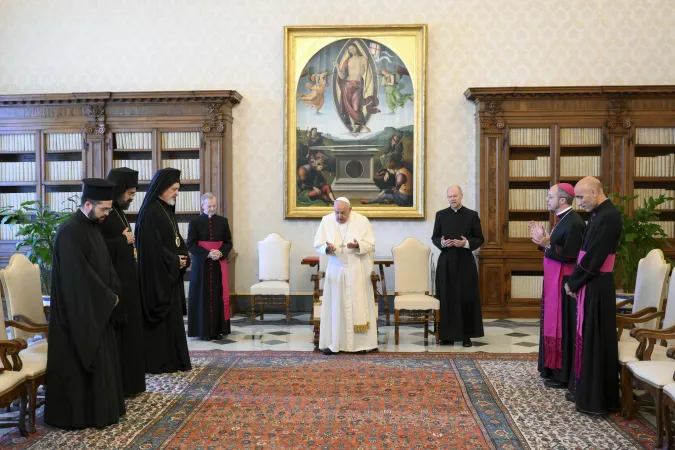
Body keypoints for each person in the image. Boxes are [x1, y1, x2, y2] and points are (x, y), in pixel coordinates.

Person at [44, 178, 125, 429]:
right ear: (88, 204)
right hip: (78, 315)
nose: (107, 214)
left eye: (110, 209)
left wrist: (113, 290)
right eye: (104, 209)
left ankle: (102, 410)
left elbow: (104, 266)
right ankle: (81, 416)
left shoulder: (92, 226)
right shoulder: (70, 231)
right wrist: (106, 297)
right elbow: (77, 277)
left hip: (97, 308)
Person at [564, 176, 623, 414]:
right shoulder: (600, 214)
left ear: (594, 192)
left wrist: (574, 282)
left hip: (597, 284)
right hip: (591, 282)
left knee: (595, 340)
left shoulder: (609, 217)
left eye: (580, 197)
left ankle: (597, 399)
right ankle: (584, 391)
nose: (578, 202)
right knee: (587, 339)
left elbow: (594, 257)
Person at [135, 168, 192, 374]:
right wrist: (172, 260)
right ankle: (160, 362)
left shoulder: (166, 209)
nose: (177, 193)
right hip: (157, 278)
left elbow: (176, 240)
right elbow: (151, 250)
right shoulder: (151, 212)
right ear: (162, 188)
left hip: (169, 276)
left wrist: (184, 257)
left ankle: (174, 360)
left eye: (178, 189)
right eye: (174, 189)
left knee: (173, 320)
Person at [529, 183, 585, 389]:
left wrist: (546, 243)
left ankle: (563, 375)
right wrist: (543, 240)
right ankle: (552, 369)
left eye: (550, 196)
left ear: (562, 200)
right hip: (556, 279)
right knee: (554, 324)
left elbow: (570, 255)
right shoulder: (563, 220)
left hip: (565, 282)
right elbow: (554, 246)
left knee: (564, 327)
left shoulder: (574, 222)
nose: (547, 199)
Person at [100, 167, 146, 396]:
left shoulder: (117, 210)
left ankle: (132, 383)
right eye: (129, 193)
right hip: (115, 281)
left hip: (128, 278)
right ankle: (123, 384)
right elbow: (98, 250)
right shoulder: (105, 215)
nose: (131, 197)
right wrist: (122, 239)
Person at [313, 197, 377, 354]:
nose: (339, 216)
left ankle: (361, 345)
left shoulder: (362, 221)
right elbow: (318, 244)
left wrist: (358, 245)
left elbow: (371, 244)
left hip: (357, 269)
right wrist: (327, 249)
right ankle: (333, 344)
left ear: (350, 210)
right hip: (336, 269)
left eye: (343, 213)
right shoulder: (326, 221)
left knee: (358, 307)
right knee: (335, 307)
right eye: (336, 212)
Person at [431, 186, 485, 347]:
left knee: (465, 297)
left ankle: (466, 336)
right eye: (449, 196)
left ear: (462, 196)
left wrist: (466, 243)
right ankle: (446, 335)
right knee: (446, 297)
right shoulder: (440, 215)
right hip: (446, 260)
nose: (452, 198)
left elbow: (479, 238)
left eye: (455, 196)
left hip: (465, 261)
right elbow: (435, 236)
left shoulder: (472, 215)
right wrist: (441, 242)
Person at [186, 193, 233, 340]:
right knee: (202, 297)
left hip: (218, 265)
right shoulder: (194, 222)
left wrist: (220, 252)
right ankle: (203, 331)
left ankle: (217, 331)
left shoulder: (223, 221)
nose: (212, 209)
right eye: (209, 206)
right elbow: (190, 244)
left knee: (218, 296)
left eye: (214, 206)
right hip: (202, 266)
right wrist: (207, 254)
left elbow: (228, 242)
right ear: (202, 206)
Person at [335, 43, 371, 133]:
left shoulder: (363, 59)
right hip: (347, 85)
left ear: (357, 48)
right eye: (350, 49)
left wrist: (366, 87)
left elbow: (369, 75)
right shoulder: (348, 60)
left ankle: (363, 125)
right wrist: (337, 68)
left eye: (353, 48)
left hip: (357, 85)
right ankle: (354, 127)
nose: (352, 50)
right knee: (349, 107)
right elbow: (342, 76)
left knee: (356, 108)